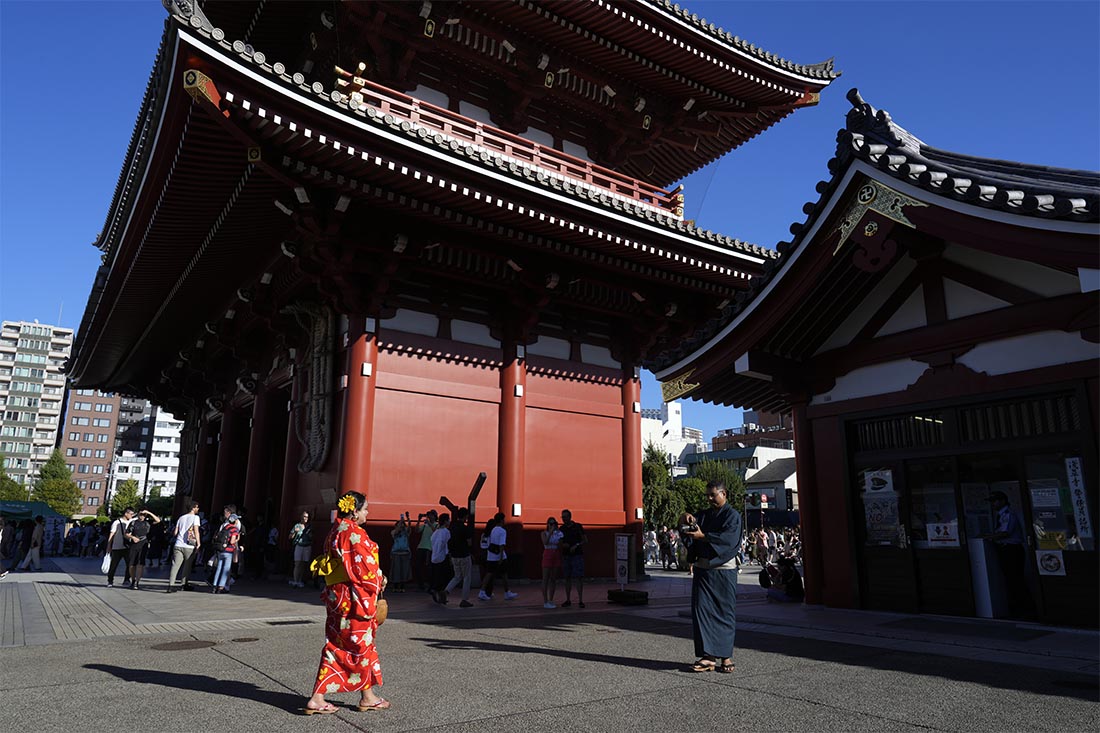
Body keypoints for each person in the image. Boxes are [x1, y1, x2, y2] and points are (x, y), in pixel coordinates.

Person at [303, 491, 389, 715]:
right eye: (365, 509)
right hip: (353, 599)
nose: (367, 512)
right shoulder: (353, 534)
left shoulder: (335, 531)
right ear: (354, 511)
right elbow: (363, 570)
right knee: (360, 645)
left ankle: (363, 696)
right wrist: (379, 579)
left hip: (337, 598)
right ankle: (322, 698)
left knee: (342, 644)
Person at [682, 481, 741, 674]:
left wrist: (704, 537)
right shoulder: (704, 514)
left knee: (724, 612)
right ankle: (708, 656)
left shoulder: (733, 516)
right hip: (702, 567)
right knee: (701, 611)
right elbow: (690, 526)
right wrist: (684, 517)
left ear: (724, 494)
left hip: (723, 569)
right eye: (707, 495)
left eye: (712, 495)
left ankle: (726, 656)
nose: (709, 498)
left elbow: (729, 539)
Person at [982, 491, 1035, 620]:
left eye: (995, 501)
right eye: (992, 502)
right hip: (1005, 549)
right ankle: (1017, 607)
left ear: (1003, 501)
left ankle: (1027, 609)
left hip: (1012, 549)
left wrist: (988, 537)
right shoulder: (1000, 515)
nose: (993, 504)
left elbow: (1005, 532)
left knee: (1015, 579)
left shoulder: (1008, 514)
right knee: (1011, 579)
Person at [478, 512, 518, 601]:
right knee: (503, 574)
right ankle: (506, 592)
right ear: (501, 520)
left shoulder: (493, 530)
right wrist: (500, 557)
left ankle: (483, 591)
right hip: (499, 555)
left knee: (489, 573)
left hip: (491, 554)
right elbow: (501, 544)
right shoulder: (502, 531)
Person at [443, 507, 474, 607]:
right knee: (466, 577)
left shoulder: (452, 527)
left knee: (457, 576)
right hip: (464, 554)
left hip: (454, 555)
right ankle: (464, 599)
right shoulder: (465, 528)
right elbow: (469, 542)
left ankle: (446, 591)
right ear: (465, 517)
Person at [167, 502, 201, 592]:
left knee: (175, 566)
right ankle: (184, 584)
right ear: (193, 508)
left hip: (178, 544)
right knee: (187, 566)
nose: (198, 509)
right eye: (197, 507)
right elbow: (196, 531)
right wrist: (198, 543)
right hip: (189, 545)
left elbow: (175, 532)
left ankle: (171, 585)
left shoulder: (181, 517)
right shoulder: (196, 518)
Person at [124, 509, 160, 589]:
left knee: (140, 564)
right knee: (131, 564)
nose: (142, 516)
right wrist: (132, 537)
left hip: (143, 544)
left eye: (144, 515)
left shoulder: (148, 523)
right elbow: (126, 533)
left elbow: (158, 520)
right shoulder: (133, 523)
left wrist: (148, 512)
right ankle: (133, 580)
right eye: (141, 514)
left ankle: (137, 582)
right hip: (134, 544)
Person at [559, 508, 586, 608]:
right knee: (567, 577)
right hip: (566, 555)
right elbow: (559, 542)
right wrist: (563, 545)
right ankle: (568, 599)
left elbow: (585, 540)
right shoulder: (561, 529)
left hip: (577, 554)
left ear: (570, 517)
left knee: (579, 577)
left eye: (565, 517)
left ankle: (580, 599)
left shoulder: (578, 527)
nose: (564, 519)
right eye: (562, 517)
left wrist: (576, 545)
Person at [211, 513, 241, 594]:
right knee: (225, 570)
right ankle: (221, 587)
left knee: (219, 568)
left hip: (221, 550)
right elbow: (232, 541)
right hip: (228, 551)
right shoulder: (235, 529)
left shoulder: (225, 527)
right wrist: (237, 540)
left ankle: (214, 586)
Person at [105, 509, 135, 587]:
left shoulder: (132, 522)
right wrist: (109, 545)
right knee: (114, 565)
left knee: (129, 564)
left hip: (127, 547)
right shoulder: (116, 522)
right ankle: (110, 580)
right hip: (117, 546)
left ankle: (126, 579)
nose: (132, 515)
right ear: (126, 513)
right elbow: (112, 534)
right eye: (131, 514)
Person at [541, 516, 563, 609]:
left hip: (556, 553)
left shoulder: (559, 533)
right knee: (545, 578)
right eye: (550, 523)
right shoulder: (544, 533)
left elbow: (560, 544)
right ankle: (545, 600)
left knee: (553, 578)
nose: (552, 525)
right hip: (547, 553)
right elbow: (545, 542)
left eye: (554, 523)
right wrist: (550, 532)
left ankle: (551, 599)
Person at [430, 514, 451, 603]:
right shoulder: (446, 532)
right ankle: (442, 597)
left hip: (434, 557)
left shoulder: (436, 532)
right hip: (443, 557)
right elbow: (446, 543)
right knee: (444, 578)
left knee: (437, 577)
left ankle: (435, 590)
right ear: (446, 521)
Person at [414, 510, 438, 591]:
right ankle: (421, 584)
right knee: (418, 567)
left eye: (431, 515)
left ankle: (430, 584)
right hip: (421, 547)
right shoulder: (424, 525)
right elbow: (416, 530)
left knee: (429, 568)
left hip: (429, 548)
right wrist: (418, 520)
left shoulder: (436, 525)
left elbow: (435, 532)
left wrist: (429, 523)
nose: (430, 517)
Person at [288, 511, 313, 589]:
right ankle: (296, 580)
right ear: (301, 517)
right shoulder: (297, 526)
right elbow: (290, 537)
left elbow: (312, 537)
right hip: (299, 545)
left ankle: (300, 580)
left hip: (307, 546)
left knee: (303, 564)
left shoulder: (309, 527)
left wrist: (310, 535)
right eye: (304, 516)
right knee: (298, 563)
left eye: (306, 517)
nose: (305, 518)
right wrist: (294, 532)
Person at [388, 516, 412, 592]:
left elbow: (409, 528)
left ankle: (402, 586)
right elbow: (396, 531)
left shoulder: (406, 532)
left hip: (405, 553)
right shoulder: (393, 532)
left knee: (404, 570)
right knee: (396, 570)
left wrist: (407, 520)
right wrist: (401, 522)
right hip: (396, 553)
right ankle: (395, 586)